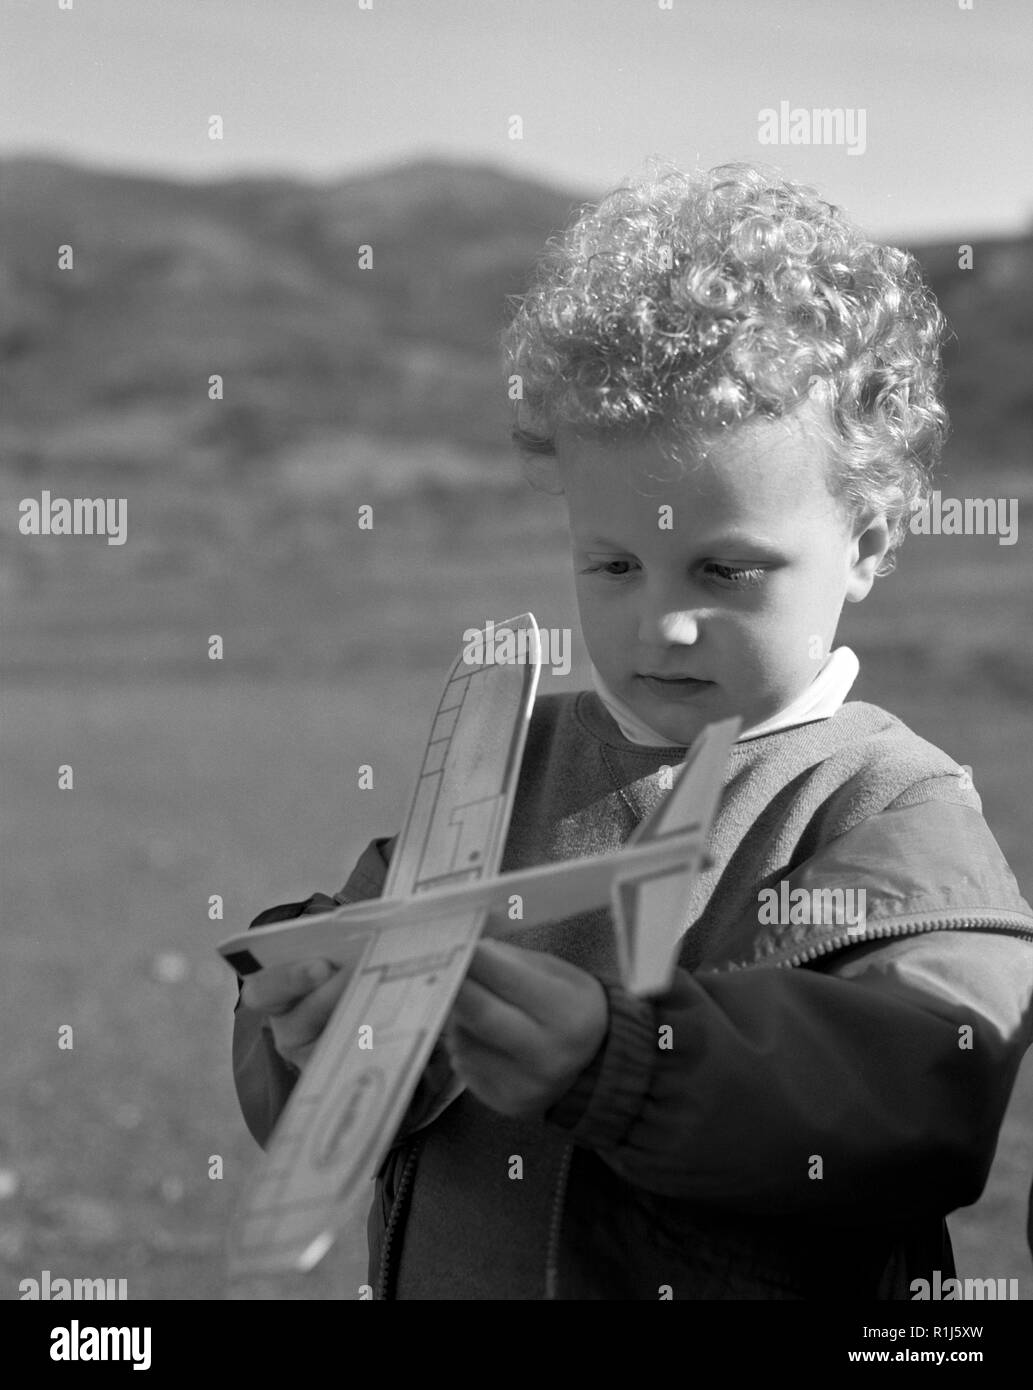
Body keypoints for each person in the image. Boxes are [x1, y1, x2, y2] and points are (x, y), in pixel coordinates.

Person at [232, 162, 1033, 1300]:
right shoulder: (497, 767)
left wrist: (627, 1062)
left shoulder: (885, 804)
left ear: (866, 538)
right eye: (612, 564)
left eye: (725, 568)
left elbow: (922, 1093)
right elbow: (332, 1105)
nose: (660, 619)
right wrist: (315, 1025)